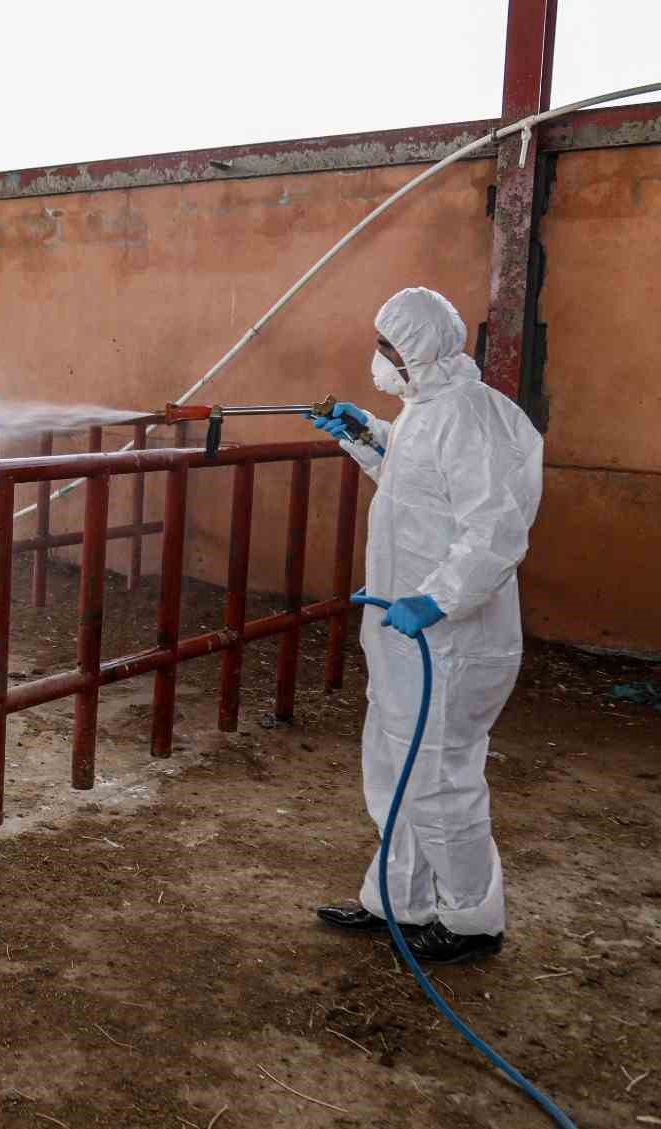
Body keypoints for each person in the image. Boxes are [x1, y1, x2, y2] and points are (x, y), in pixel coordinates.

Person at [306, 287, 544, 964]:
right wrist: (367, 438)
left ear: (419, 350)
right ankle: (401, 900)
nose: (377, 358)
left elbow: (495, 529)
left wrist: (436, 598)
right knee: (396, 765)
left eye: (388, 346)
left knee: (438, 776)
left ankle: (472, 918)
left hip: (453, 638)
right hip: (406, 634)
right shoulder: (423, 410)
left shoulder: (473, 415)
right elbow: (418, 495)